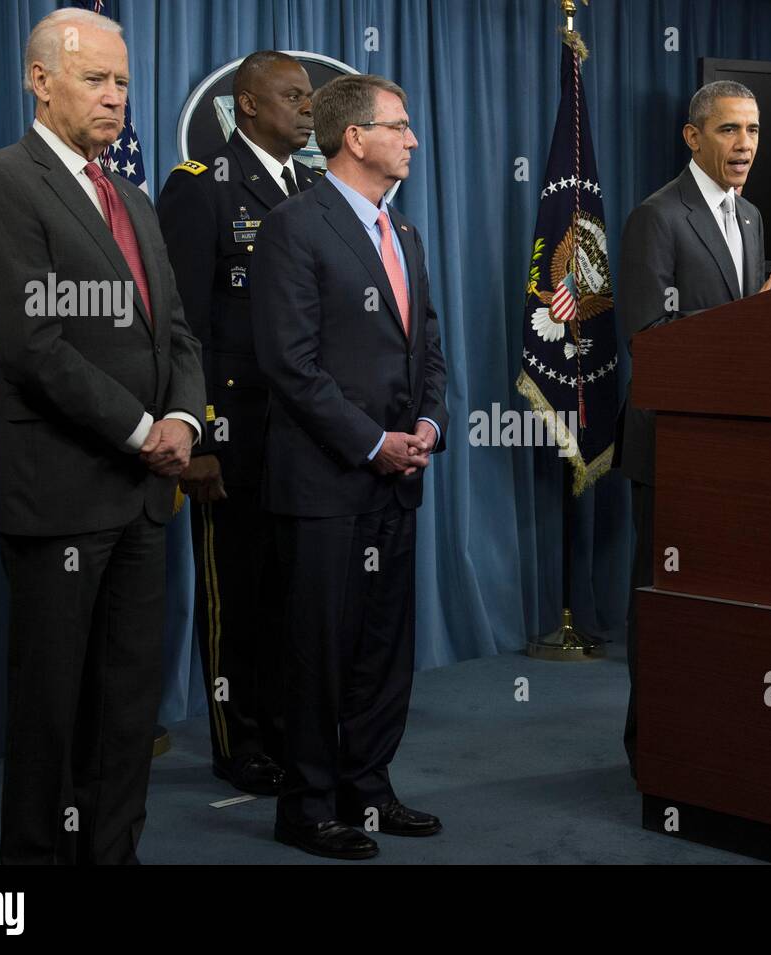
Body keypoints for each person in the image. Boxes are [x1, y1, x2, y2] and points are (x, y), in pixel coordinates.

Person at [0, 7, 203, 863]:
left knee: (128, 707)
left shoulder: (132, 194)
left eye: (123, 81)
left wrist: (183, 418)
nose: (114, 97)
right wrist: (141, 429)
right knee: (51, 714)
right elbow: (32, 346)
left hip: (143, 499)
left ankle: (112, 853)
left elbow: (174, 330)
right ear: (40, 80)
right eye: (94, 78)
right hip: (60, 496)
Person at [251, 73, 448, 860]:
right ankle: (307, 805)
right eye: (399, 127)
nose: (413, 140)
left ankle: (369, 788)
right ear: (355, 137)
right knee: (317, 651)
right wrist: (374, 441)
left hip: (398, 483)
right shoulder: (294, 227)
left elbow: (427, 348)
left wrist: (428, 423)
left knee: (381, 647)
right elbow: (290, 364)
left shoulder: (406, 235)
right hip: (326, 484)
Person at [157, 51, 322, 797]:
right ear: (246, 106)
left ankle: (287, 728)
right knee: (239, 595)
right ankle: (240, 740)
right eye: (291, 96)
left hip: (302, 436)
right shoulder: (202, 189)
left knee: (291, 593)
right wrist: (194, 430)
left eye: (311, 96)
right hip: (233, 435)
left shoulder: (313, 188)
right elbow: (180, 322)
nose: (308, 107)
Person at [616, 80, 771, 778]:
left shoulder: (751, 219)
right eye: (728, 131)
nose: (744, 145)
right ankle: (653, 748)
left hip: (733, 447)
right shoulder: (658, 216)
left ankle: (713, 738)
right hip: (674, 446)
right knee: (666, 602)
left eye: (753, 131)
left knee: (724, 607)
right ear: (693, 137)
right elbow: (650, 337)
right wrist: (750, 325)